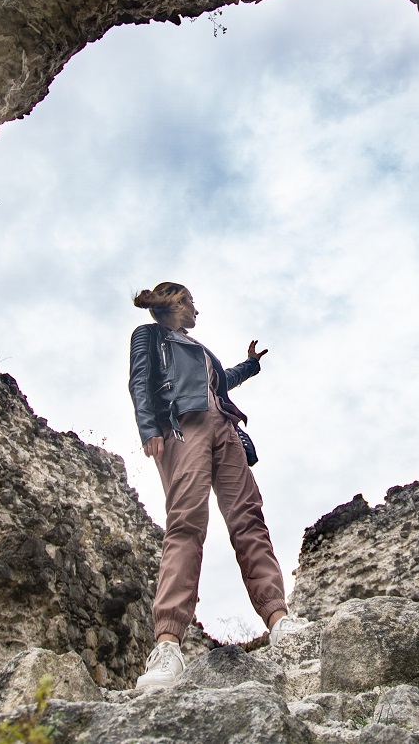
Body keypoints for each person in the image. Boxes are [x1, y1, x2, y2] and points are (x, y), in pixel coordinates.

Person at [127, 282, 308, 688]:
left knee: (248, 518)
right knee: (187, 524)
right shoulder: (150, 336)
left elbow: (220, 382)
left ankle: (279, 621)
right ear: (175, 302)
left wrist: (251, 366)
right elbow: (140, 381)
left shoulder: (200, 350)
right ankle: (168, 646)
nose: (197, 311)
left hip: (224, 430)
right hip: (180, 429)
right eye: (191, 303)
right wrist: (147, 428)